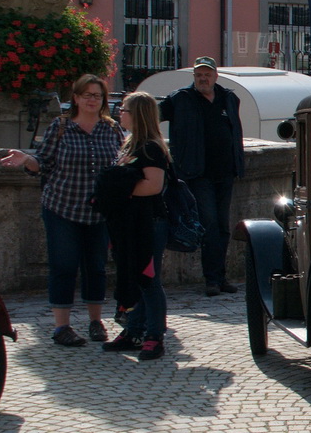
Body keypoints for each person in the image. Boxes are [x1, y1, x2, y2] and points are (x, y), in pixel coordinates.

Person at [0, 75, 123, 346]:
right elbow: (43, 162)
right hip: (62, 206)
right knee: (64, 265)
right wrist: (26, 159)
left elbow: (121, 166)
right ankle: (62, 326)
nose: (92, 100)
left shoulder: (111, 129)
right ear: (76, 98)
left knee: (96, 267)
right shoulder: (61, 127)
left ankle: (95, 321)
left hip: (99, 211)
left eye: (97, 95)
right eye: (87, 94)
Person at [159, 57, 244, 296]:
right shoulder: (180, 99)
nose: (203, 78)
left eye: (207, 74)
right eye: (198, 75)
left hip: (226, 172)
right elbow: (151, 116)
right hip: (198, 173)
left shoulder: (229, 98)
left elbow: (235, 132)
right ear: (194, 77)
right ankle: (212, 280)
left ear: (215, 76)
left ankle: (221, 276)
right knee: (210, 225)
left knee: (223, 227)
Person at [102, 93, 170, 361]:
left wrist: (119, 190)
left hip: (149, 222)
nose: (120, 112)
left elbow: (153, 185)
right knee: (136, 279)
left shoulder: (151, 147)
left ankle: (154, 335)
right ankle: (134, 331)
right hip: (131, 222)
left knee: (149, 279)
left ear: (138, 114)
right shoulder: (130, 144)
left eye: (124, 109)